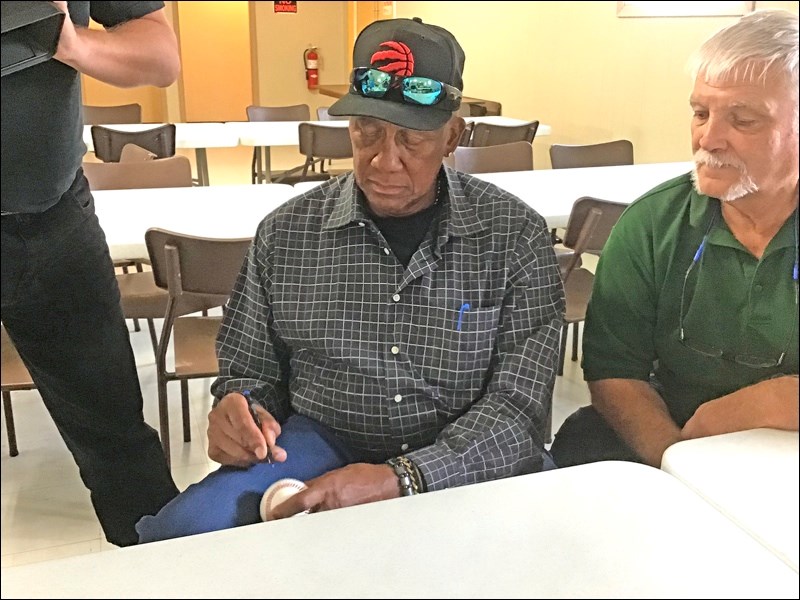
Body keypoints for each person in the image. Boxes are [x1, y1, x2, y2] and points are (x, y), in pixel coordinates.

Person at [136, 16, 564, 542]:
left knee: (547, 548)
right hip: (319, 441)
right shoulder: (286, 234)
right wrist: (242, 411)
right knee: (176, 536)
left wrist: (402, 478)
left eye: (411, 139)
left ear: (454, 135)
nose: (385, 160)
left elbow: (518, 411)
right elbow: (249, 371)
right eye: (367, 131)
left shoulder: (513, 236)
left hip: (465, 450)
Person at [550, 9, 799, 469]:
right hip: (670, 436)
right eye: (700, 113)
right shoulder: (652, 224)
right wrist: (677, 461)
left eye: (743, 121)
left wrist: (763, 403)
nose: (709, 138)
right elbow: (615, 372)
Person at [1, 1, 181, 546]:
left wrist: (76, 45)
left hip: (50, 222)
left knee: (117, 441)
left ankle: (166, 578)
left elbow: (160, 55)